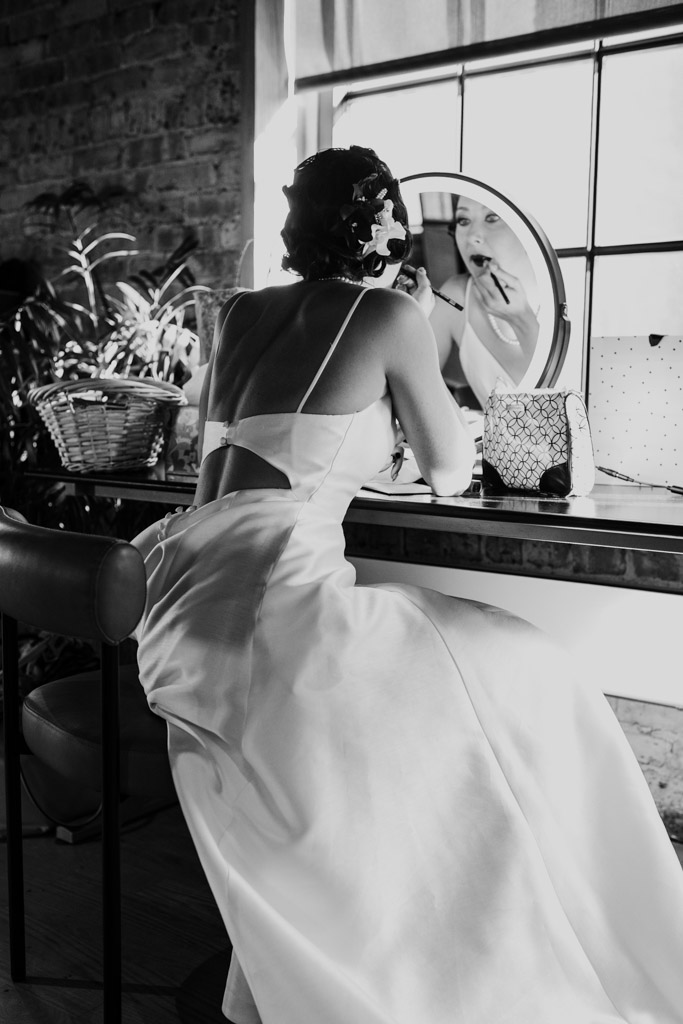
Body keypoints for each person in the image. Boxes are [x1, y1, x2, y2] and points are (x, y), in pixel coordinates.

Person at [131, 146, 683, 1024]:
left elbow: (246, 451)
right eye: (400, 215)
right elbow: (451, 470)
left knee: (456, 673)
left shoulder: (237, 313)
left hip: (179, 607)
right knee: (530, 665)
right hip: (277, 616)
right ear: (379, 225)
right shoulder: (386, 312)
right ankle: (497, 943)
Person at [426, 195, 540, 408]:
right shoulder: (455, 295)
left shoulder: (569, 292)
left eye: (492, 217)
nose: (472, 237)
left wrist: (522, 319)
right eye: (463, 221)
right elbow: (415, 383)